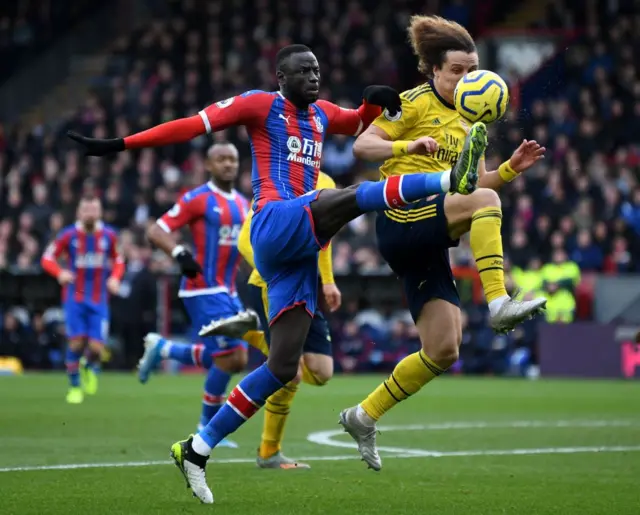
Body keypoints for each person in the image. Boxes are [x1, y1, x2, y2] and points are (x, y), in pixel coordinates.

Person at [68, 43, 482, 504]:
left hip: (300, 250)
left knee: (284, 365)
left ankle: (196, 450)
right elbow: (190, 126)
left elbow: (356, 122)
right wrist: (121, 144)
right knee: (351, 194)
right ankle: (448, 181)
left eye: (317, 70)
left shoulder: (322, 114)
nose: (313, 77)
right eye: (303, 71)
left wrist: (373, 101)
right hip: (273, 219)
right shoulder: (259, 105)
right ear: (280, 77)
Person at [338, 15, 547, 471]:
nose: (466, 79)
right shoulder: (411, 104)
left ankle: (362, 415)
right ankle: (497, 303)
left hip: (430, 234)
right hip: (400, 218)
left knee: (444, 349)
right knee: (484, 199)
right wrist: (406, 149)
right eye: (457, 70)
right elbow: (361, 147)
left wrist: (510, 167)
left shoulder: (473, 117)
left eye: (472, 70)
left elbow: (472, 184)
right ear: (433, 70)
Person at [138, 142, 254, 448]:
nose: (229, 164)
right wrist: (179, 253)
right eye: (222, 159)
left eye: (233, 158)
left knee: (237, 357)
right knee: (230, 358)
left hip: (228, 291)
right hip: (201, 288)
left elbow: (242, 249)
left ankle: (163, 348)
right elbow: (156, 230)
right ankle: (206, 428)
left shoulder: (243, 204)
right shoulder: (197, 198)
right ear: (208, 165)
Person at [239, 170, 340, 469]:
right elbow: (245, 240)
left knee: (321, 371)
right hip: (277, 286)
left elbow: (325, 238)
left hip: (307, 284)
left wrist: (329, 281)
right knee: (289, 373)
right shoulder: (278, 178)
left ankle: (253, 336)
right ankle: (269, 452)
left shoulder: (327, 183)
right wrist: (274, 268)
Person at [41, 196, 123, 404]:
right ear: (79, 212)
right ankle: (75, 387)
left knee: (96, 348)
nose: (90, 213)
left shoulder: (109, 236)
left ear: (100, 211)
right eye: (86, 209)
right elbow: (47, 258)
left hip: (99, 300)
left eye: (94, 209)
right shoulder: (68, 235)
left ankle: (87, 366)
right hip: (74, 298)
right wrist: (59, 273)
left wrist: (114, 277)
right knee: (76, 343)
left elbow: (119, 260)